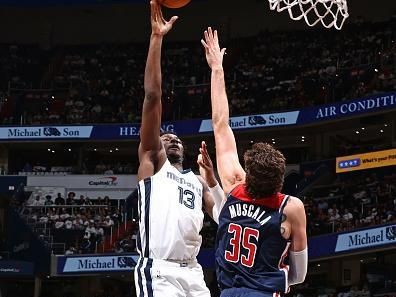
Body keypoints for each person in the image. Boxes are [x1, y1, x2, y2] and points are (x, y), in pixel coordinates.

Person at [201, 27, 308, 297]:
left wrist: (217, 69)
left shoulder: (234, 187)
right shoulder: (291, 207)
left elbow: (220, 124)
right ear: (280, 179)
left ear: (247, 175)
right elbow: (299, 276)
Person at [134, 3, 223, 297]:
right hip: (159, 271)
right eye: (166, 136)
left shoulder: (196, 182)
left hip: (194, 272)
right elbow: (152, 96)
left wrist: (212, 180)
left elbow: (225, 216)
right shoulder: (152, 164)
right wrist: (157, 38)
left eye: (177, 138)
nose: (172, 139)